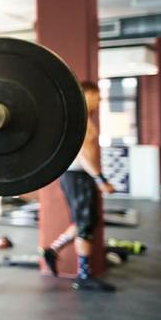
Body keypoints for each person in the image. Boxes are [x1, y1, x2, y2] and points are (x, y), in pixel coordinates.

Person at [41, 80, 116, 291]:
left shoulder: (84, 119)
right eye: (97, 96)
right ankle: (83, 277)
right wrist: (101, 180)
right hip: (78, 175)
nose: (100, 101)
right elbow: (83, 155)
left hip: (78, 176)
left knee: (84, 221)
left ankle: (53, 250)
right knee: (84, 225)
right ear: (86, 95)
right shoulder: (80, 120)